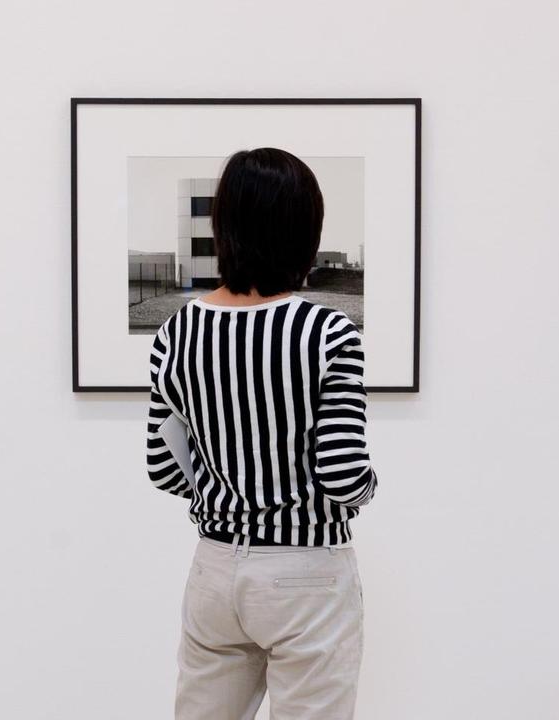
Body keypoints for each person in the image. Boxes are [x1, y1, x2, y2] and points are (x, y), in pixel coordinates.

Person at [146, 148, 377, 719]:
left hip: (215, 566)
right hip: (306, 569)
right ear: (303, 231)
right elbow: (343, 473)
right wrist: (368, 489)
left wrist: (224, 483)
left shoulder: (179, 330)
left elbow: (162, 466)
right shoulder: (325, 332)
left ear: (224, 225)